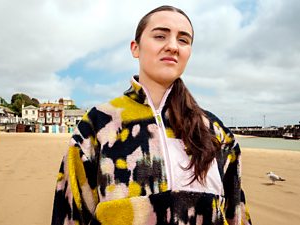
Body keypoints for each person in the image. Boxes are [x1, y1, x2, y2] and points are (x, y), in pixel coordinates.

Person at [51, 5, 251, 225]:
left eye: (183, 40)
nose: (173, 46)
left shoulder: (215, 131)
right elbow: (69, 212)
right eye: (160, 36)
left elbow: (236, 214)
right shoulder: (98, 123)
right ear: (135, 48)